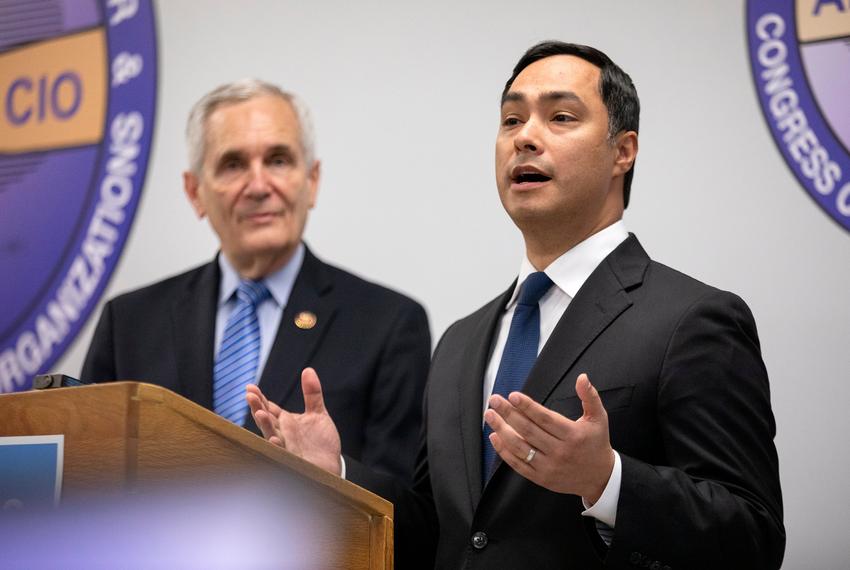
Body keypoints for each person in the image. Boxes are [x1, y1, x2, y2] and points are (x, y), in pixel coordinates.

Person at [248, 42, 785, 569]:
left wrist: (608, 481)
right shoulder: (460, 342)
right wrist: (336, 472)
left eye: (561, 117)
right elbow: (445, 536)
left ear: (623, 151)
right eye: (511, 120)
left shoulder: (692, 319)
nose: (525, 137)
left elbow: (753, 536)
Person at [82, 79, 431, 482]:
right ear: (194, 191)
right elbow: (85, 475)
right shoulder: (128, 323)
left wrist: (336, 471)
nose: (259, 186)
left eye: (279, 160)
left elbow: (412, 516)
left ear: (312, 181)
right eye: (233, 165)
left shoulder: (388, 325)